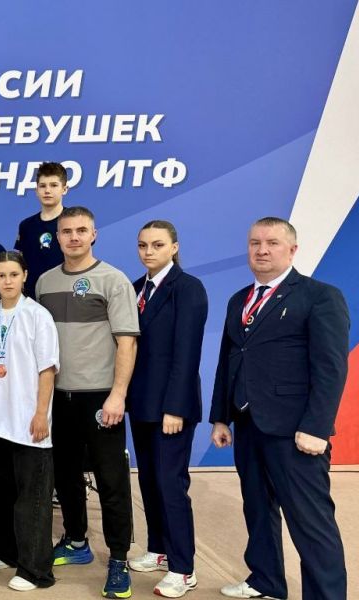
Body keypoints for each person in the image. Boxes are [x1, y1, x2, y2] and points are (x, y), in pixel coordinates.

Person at [210, 217, 349, 600]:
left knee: (311, 522)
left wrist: (317, 427)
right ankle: (266, 580)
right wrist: (221, 416)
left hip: (296, 431)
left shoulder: (320, 296)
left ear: (292, 249)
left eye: (272, 242)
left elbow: (331, 367)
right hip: (248, 424)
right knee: (257, 509)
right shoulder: (239, 299)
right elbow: (229, 360)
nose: (262, 250)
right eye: (255, 243)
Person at [35, 206, 139, 600]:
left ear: (94, 234)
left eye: (81, 230)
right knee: (65, 476)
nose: (74, 237)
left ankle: (118, 559)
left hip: (100, 398)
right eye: (67, 231)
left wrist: (118, 395)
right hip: (58, 397)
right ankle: (77, 541)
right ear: (57, 237)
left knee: (111, 481)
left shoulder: (113, 280)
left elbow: (127, 342)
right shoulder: (44, 282)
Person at [126, 221, 208, 598]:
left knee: (171, 484)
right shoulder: (136, 288)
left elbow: (187, 352)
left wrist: (174, 407)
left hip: (171, 408)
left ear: (174, 247)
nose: (149, 252)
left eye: (157, 245)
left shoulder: (188, 288)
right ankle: (158, 549)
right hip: (141, 403)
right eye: (143, 245)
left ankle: (183, 568)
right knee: (149, 480)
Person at [0, 251, 60, 592]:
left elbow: (47, 369)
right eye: (1, 275)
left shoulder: (37, 316)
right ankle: (10, 553)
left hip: (28, 422)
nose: (8, 281)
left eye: (14, 274)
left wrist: (41, 413)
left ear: (25, 276)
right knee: (3, 495)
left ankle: (36, 570)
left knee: (33, 500)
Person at [14, 161, 68, 295]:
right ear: (36, 190)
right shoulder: (26, 225)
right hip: (31, 296)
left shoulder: (74, 221)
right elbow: (21, 263)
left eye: (54, 185)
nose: (47, 190)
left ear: (65, 189)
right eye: (42, 186)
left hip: (64, 294)